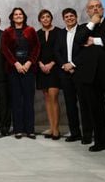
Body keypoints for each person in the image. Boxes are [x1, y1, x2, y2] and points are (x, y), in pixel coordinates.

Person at [74, 0, 105, 152]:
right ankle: (101, 142)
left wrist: (95, 40)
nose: (95, 9)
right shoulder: (83, 28)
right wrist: (91, 24)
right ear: (87, 11)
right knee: (96, 110)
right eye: (91, 8)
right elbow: (78, 41)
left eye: (98, 7)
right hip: (91, 76)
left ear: (103, 9)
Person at [54, 8, 92, 144]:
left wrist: (73, 64)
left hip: (80, 72)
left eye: (71, 16)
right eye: (66, 16)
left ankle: (87, 134)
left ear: (76, 17)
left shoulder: (83, 30)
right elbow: (57, 51)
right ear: (63, 19)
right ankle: (75, 133)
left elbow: (86, 50)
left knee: (84, 104)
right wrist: (64, 65)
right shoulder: (60, 33)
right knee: (70, 105)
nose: (69, 18)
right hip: (65, 73)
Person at [2, 7, 40, 139]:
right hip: (13, 70)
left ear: (24, 16)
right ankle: (18, 129)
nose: (18, 16)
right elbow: (5, 49)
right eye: (15, 14)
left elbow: (36, 47)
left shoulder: (31, 30)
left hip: (28, 70)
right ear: (12, 17)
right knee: (16, 100)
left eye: (20, 14)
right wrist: (16, 64)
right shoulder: (7, 32)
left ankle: (30, 129)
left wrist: (29, 62)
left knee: (29, 100)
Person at [36, 9, 61, 140]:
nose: (45, 19)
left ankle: (56, 130)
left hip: (54, 68)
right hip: (41, 69)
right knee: (46, 99)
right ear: (39, 20)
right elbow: (35, 51)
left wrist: (52, 64)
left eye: (47, 17)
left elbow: (61, 50)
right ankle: (51, 127)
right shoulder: (37, 34)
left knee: (53, 97)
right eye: (43, 17)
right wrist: (40, 64)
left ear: (51, 18)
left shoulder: (59, 32)